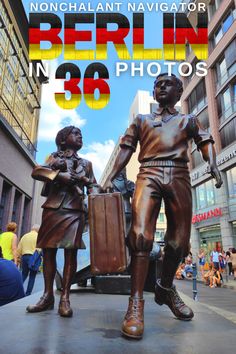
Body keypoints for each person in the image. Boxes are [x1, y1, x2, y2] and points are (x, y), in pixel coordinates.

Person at [104, 73, 222, 339]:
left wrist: (213, 163)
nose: (160, 87)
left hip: (179, 174)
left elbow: (205, 142)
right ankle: (135, 305)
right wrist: (111, 176)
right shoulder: (142, 120)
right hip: (149, 173)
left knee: (179, 243)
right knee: (141, 236)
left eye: (166, 84)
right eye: (157, 84)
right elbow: (126, 148)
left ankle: (165, 288)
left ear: (178, 91)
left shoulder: (188, 120)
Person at [26, 126, 101, 317]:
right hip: (53, 209)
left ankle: (65, 297)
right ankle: (47, 295)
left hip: (75, 210)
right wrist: (60, 176)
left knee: (70, 253)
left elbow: (93, 186)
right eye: (75, 133)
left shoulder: (87, 163)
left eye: (81, 134)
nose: (79, 136)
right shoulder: (53, 157)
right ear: (62, 139)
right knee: (48, 251)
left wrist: (86, 183)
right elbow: (37, 172)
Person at [17, 225, 40, 296]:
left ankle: (17, 290)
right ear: (38, 230)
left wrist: (19, 258)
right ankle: (28, 293)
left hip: (24, 256)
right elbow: (40, 249)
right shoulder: (38, 236)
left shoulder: (24, 236)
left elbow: (19, 249)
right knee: (32, 276)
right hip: (34, 258)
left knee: (24, 274)